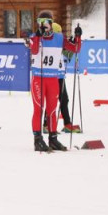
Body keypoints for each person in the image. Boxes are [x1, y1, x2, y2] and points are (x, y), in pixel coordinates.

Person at [29, 11, 81, 152]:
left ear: (51, 24)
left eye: (46, 22)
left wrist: (78, 37)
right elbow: (34, 51)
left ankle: (53, 138)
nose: (43, 25)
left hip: (52, 79)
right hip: (38, 79)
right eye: (40, 22)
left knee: (52, 110)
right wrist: (39, 36)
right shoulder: (34, 37)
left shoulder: (59, 37)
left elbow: (75, 48)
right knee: (39, 109)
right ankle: (37, 140)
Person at [52, 22, 80, 133]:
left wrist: (73, 43)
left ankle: (67, 124)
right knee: (53, 101)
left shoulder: (61, 45)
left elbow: (68, 55)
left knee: (64, 100)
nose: (61, 36)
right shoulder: (52, 46)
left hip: (60, 77)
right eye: (58, 33)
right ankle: (46, 123)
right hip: (53, 77)